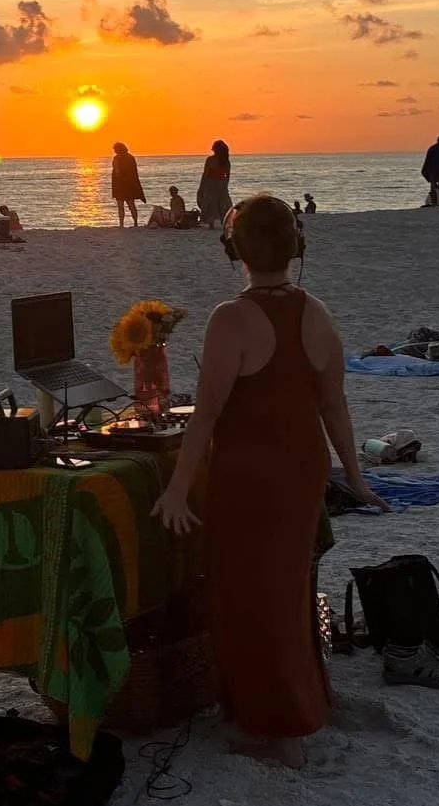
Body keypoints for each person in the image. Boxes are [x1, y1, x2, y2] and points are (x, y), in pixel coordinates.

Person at [150, 196, 383, 767]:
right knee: (287, 589)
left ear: (236, 251)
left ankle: (274, 727)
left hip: (249, 475)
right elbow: (335, 406)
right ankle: (293, 706)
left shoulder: (230, 319)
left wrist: (177, 488)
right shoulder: (318, 313)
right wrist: (352, 473)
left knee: (247, 594)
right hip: (301, 469)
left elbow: (204, 418)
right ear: (294, 246)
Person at [196, 140, 234, 236]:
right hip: (222, 183)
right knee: (224, 203)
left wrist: (202, 186)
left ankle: (211, 223)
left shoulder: (210, 159)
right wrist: (225, 184)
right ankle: (226, 221)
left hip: (210, 183)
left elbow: (205, 174)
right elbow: (228, 175)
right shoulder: (226, 161)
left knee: (210, 203)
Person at [109, 142, 146, 227]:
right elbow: (134, 173)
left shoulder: (117, 159)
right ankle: (135, 223)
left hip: (121, 185)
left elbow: (117, 172)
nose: (114, 151)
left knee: (122, 205)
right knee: (130, 204)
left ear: (119, 149)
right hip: (128, 184)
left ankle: (122, 224)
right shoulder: (130, 158)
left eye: (115, 149)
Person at [421, 136, 439, 208]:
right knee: (434, 188)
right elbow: (427, 161)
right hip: (433, 171)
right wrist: (427, 172)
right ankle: (435, 204)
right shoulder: (433, 149)